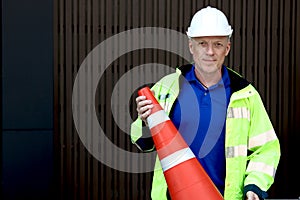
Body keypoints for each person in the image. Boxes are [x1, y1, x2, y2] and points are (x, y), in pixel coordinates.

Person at [130, 6, 281, 200]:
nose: (210, 51)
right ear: (191, 47)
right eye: (202, 43)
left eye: (217, 44)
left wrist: (255, 185)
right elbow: (145, 144)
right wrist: (144, 121)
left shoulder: (245, 94)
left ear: (227, 48)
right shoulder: (166, 88)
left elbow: (266, 149)